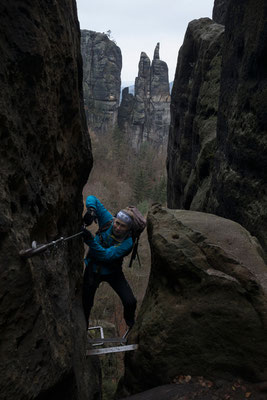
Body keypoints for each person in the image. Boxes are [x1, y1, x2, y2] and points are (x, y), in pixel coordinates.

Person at [82, 195, 137, 330]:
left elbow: (106, 256)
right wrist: (91, 211)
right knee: (86, 304)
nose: (117, 227)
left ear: (128, 229)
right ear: (114, 219)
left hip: (113, 271)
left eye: (122, 226)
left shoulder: (128, 243)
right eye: (117, 223)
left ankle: (130, 324)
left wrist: (90, 240)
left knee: (130, 301)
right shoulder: (108, 220)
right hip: (92, 269)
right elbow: (92, 198)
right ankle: (83, 329)